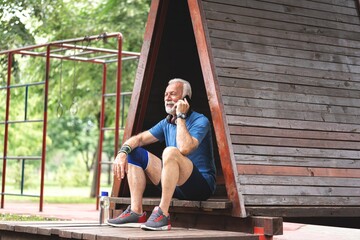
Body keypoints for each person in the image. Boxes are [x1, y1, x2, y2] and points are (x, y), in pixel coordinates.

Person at [107, 78, 216, 231]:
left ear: (185, 99)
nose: (167, 98)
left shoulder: (200, 120)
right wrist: (122, 152)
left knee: (170, 151)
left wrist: (181, 117)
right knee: (134, 152)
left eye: (173, 94)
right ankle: (136, 211)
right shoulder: (166, 122)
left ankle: (162, 214)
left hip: (200, 187)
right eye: (166, 94)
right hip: (175, 185)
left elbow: (184, 148)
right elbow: (139, 139)